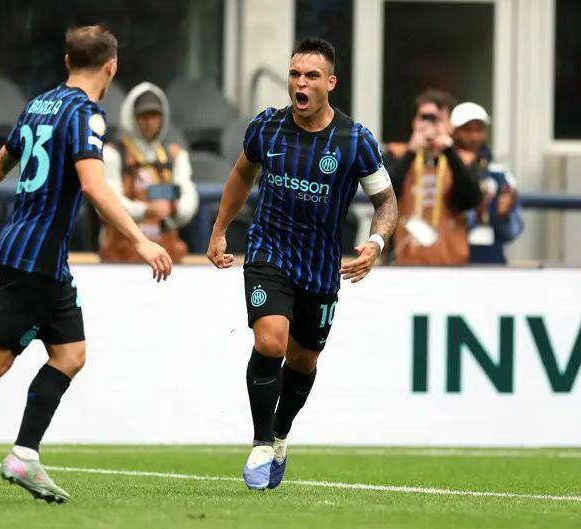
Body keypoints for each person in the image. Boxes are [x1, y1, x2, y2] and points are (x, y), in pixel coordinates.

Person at [0, 25, 172, 504]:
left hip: (39, 255)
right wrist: (140, 240)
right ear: (112, 66)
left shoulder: (39, 105)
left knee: (71, 353)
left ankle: (24, 454)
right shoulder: (86, 114)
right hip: (36, 258)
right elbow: (93, 185)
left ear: (67, 61)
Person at [206, 37, 397, 490]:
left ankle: (280, 434)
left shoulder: (355, 140)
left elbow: (387, 202)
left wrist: (375, 243)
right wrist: (219, 229)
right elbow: (241, 173)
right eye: (294, 74)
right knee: (271, 340)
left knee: (303, 361)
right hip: (269, 253)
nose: (300, 83)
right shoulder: (267, 128)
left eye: (311, 76)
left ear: (330, 83)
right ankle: (259, 443)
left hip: (320, 267)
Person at [101, 82, 198, 262]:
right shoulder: (113, 154)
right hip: (120, 259)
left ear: (162, 118)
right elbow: (108, 202)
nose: (149, 122)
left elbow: (189, 197)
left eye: (154, 115)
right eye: (143, 116)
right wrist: (145, 211)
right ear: (132, 117)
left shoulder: (175, 156)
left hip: (167, 257)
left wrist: (174, 208)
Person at [386, 90, 481, 265]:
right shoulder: (397, 154)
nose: (429, 125)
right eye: (424, 118)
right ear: (414, 122)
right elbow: (383, 196)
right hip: (405, 262)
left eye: (436, 119)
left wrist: (449, 151)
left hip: (450, 261)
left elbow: (470, 201)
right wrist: (411, 152)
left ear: (449, 125)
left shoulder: (464, 160)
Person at [450, 102, 523, 264]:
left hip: (492, 264)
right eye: (467, 130)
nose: (474, 136)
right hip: (449, 263)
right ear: (454, 132)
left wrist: (502, 217)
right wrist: (473, 213)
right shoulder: (443, 171)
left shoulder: (500, 174)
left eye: (479, 130)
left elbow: (513, 232)